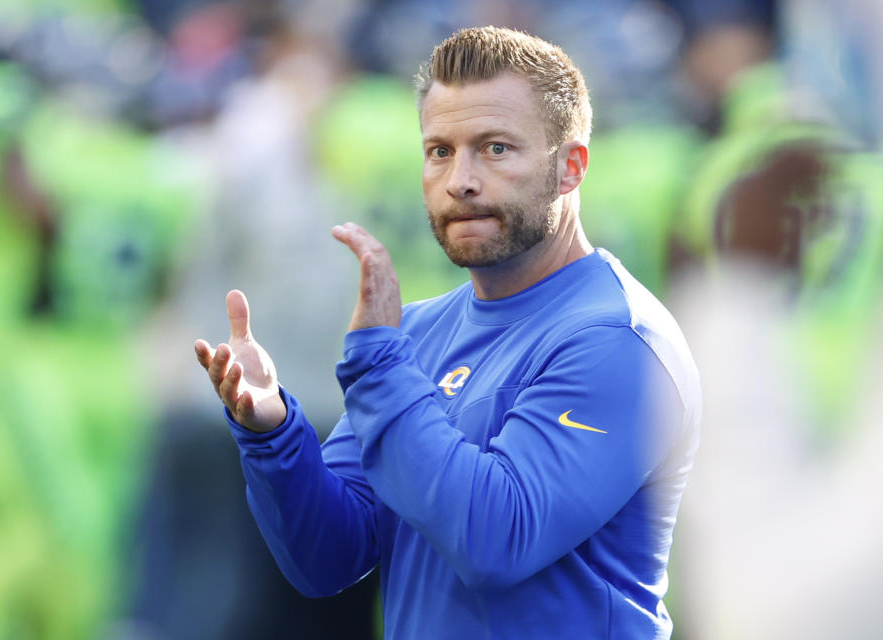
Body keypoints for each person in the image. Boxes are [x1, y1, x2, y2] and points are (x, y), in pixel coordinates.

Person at [194, 26, 701, 639]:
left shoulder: (617, 340)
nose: (461, 179)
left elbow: (497, 541)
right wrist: (273, 433)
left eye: (495, 149)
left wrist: (379, 365)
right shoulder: (418, 331)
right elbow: (328, 559)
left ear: (570, 167)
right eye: (440, 150)